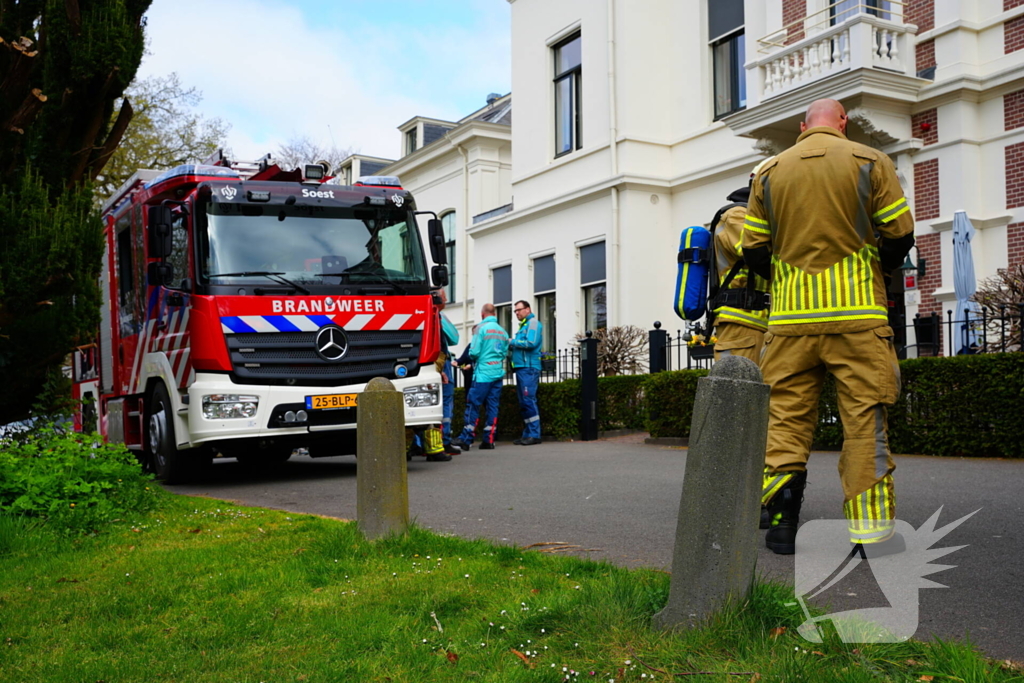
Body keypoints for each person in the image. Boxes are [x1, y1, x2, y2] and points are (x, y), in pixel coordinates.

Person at [742, 98, 914, 556]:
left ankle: (780, 527)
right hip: (858, 319)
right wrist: (879, 268)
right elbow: (899, 233)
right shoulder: (870, 161)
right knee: (864, 424)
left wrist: (785, 276)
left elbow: (753, 249)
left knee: (785, 423)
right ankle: (871, 536)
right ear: (843, 123)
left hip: (789, 322)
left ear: (802, 126)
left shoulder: (769, 172)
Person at [708, 165, 771, 364]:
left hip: (764, 322)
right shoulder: (736, 215)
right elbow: (755, 251)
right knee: (738, 390)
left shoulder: (763, 218)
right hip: (741, 321)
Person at [452, 304, 510, 451]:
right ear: (494, 314)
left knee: (473, 404)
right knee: (492, 406)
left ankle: (466, 438)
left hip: (483, 373)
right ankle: (489, 439)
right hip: (497, 372)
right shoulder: (502, 331)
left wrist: (476, 357)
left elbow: (474, 352)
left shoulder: (480, 329)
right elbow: (504, 352)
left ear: (482, 314)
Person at [508, 300, 543, 445]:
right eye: (515, 311)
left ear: (528, 309)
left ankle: (534, 434)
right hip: (523, 368)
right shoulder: (524, 325)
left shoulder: (533, 323)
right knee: (524, 402)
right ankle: (528, 433)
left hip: (528, 368)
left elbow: (531, 343)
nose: (516, 313)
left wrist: (511, 342)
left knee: (528, 400)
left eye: (519, 310)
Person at [435, 288, 462, 456]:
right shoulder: (438, 316)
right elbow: (454, 337)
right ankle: (444, 441)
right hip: (440, 362)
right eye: (445, 297)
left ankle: (419, 444)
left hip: (432, 362)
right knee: (445, 401)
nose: (446, 300)